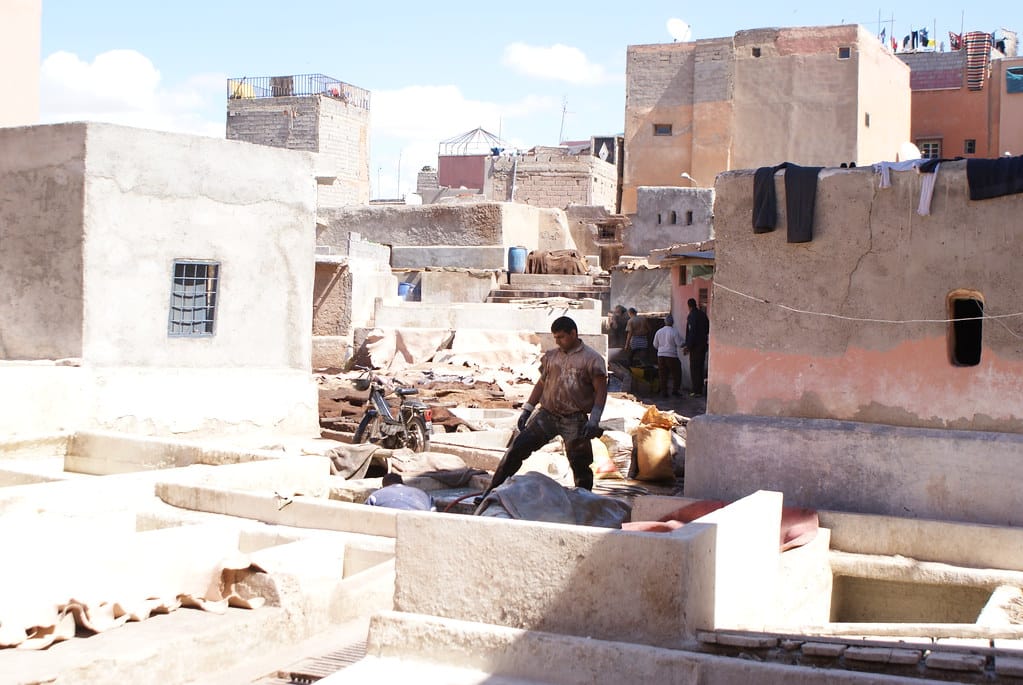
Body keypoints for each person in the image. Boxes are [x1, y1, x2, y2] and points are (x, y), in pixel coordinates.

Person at [484, 316, 607, 494]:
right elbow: (542, 384)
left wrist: (594, 420)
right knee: (516, 450)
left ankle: (584, 501)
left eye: (561, 337)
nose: (557, 341)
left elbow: (601, 391)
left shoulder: (592, 359)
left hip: (574, 419)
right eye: (555, 337)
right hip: (547, 415)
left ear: (573, 333)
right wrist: (527, 409)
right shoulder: (551, 356)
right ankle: (492, 490)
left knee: (580, 464)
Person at [682, 298, 709, 397]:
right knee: (701, 367)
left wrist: (688, 346)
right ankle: (700, 389)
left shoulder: (692, 316)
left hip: (695, 347)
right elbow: (707, 328)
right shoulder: (702, 314)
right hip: (702, 345)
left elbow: (691, 332)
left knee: (694, 368)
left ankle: (696, 391)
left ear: (689, 306)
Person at [365, 473, 434, 511]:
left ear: (384, 486)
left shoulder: (376, 495)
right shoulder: (424, 494)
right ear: (402, 483)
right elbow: (434, 513)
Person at [652, 314, 684, 397]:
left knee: (663, 374)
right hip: (672, 355)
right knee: (676, 373)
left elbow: (655, 345)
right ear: (672, 322)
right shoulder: (674, 332)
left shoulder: (659, 331)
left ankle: (664, 392)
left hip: (661, 355)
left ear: (664, 322)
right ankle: (675, 390)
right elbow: (679, 344)